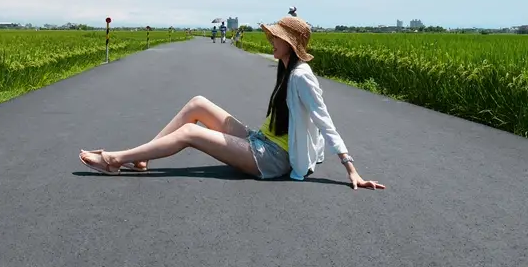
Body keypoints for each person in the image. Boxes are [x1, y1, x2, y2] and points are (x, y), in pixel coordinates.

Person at [79, 15, 386, 190]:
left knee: (191, 134)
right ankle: (143, 158)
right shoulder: (285, 67)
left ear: (290, 44)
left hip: (272, 158)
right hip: (260, 140)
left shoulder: (301, 76)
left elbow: (324, 120)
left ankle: (115, 160)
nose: (270, 41)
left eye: (276, 38)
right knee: (197, 103)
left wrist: (351, 170)